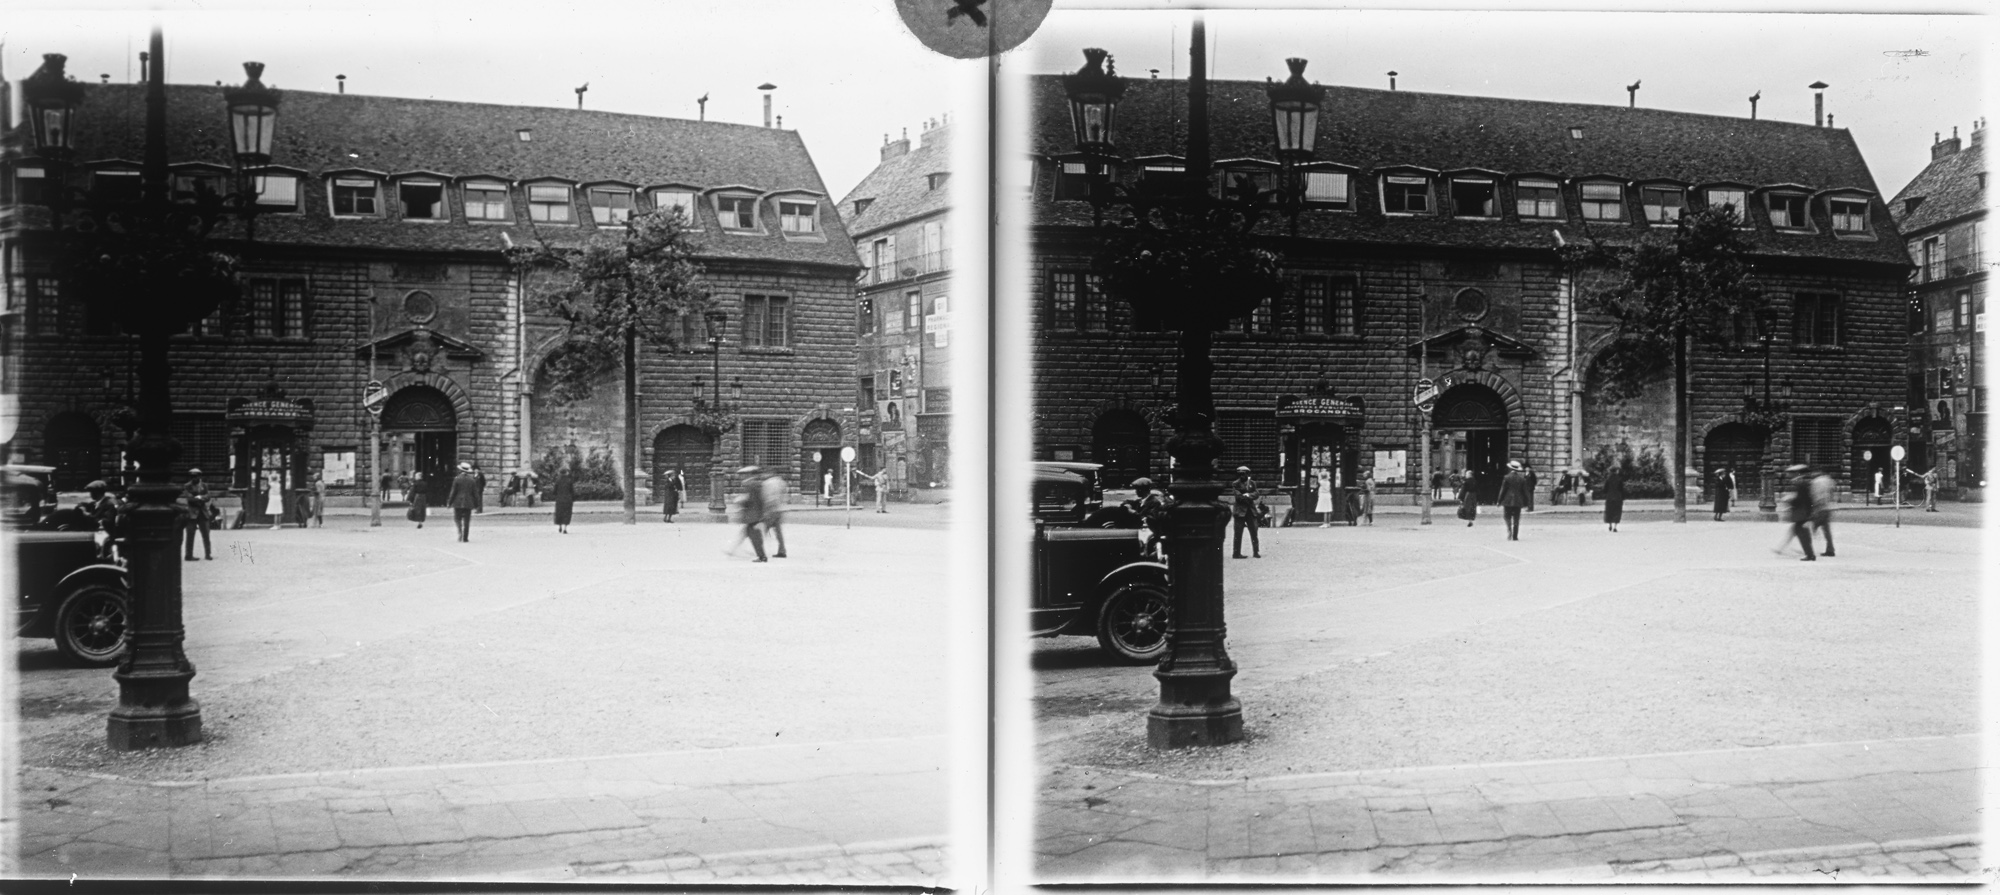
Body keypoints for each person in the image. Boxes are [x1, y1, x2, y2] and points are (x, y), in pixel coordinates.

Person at [728, 466, 769, 561]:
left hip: (752, 515)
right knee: (748, 533)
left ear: (751, 474)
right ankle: (733, 550)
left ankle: (762, 556)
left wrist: (740, 501)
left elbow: (749, 500)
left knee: (754, 536)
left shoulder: (751, 485)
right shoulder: (759, 484)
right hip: (756, 514)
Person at [1779, 464, 1817, 560]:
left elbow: (1804, 499)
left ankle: (1810, 555)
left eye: (1790, 473)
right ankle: (1809, 553)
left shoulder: (1801, 483)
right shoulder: (1802, 482)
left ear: (1796, 473)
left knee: (1802, 533)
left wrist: (1790, 500)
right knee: (1800, 531)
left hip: (1802, 513)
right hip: (1803, 512)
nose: (1788, 475)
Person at [1229, 466, 1261, 559]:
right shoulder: (1235, 483)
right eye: (1240, 474)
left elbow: (1256, 494)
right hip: (1240, 511)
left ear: (1248, 474)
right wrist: (1249, 496)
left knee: (1254, 532)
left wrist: (1248, 495)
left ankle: (1256, 552)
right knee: (1238, 533)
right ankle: (1236, 553)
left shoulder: (1252, 483)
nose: (1241, 476)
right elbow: (1238, 496)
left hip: (1250, 511)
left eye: (1244, 473)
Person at [182, 468, 213, 561]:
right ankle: (188, 555)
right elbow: (189, 498)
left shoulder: (204, 485)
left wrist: (199, 497)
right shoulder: (187, 486)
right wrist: (201, 498)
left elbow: (208, 496)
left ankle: (208, 554)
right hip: (191, 513)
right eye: (192, 476)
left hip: (203, 513)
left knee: (206, 534)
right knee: (190, 535)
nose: (193, 478)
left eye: (195, 476)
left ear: (200, 476)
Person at [759, 468, 789, 559]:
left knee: (763, 530)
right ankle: (782, 551)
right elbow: (785, 495)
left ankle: (759, 550)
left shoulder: (766, 483)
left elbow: (765, 497)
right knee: (779, 532)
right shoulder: (781, 482)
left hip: (770, 510)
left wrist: (764, 511)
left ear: (769, 473)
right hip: (780, 509)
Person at [1498, 460, 1531, 541]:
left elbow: (1503, 490)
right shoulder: (1522, 479)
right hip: (1518, 501)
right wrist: (1527, 502)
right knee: (1516, 519)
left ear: (1510, 468)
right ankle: (1515, 536)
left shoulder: (1506, 477)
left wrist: (1499, 501)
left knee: (1507, 517)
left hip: (1507, 501)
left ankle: (1509, 532)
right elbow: (1525, 492)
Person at [447, 461, 479, 542]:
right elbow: (475, 493)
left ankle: (460, 532)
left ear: (460, 470)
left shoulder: (457, 479)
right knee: (467, 521)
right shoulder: (472, 480)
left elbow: (453, 492)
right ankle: (465, 537)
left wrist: (449, 502)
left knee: (457, 519)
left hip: (458, 502)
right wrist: (477, 504)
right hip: (468, 502)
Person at [1809, 467, 1836, 557]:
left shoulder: (1815, 482)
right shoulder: (1829, 480)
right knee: (1827, 531)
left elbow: (1813, 495)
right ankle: (1830, 549)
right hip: (1827, 507)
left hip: (1819, 508)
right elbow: (1832, 492)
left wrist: (1813, 509)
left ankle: (1808, 548)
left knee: (1811, 527)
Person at [1602, 467, 1626, 532]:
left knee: (1610, 511)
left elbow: (1604, 490)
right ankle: (1615, 527)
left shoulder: (1608, 479)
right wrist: (1623, 497)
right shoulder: (1619, 479)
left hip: (1609, 497)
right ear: (1616, 471)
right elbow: (1622, 490)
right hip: (1618, 497)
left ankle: (1610, 525)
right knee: (1617, 512)